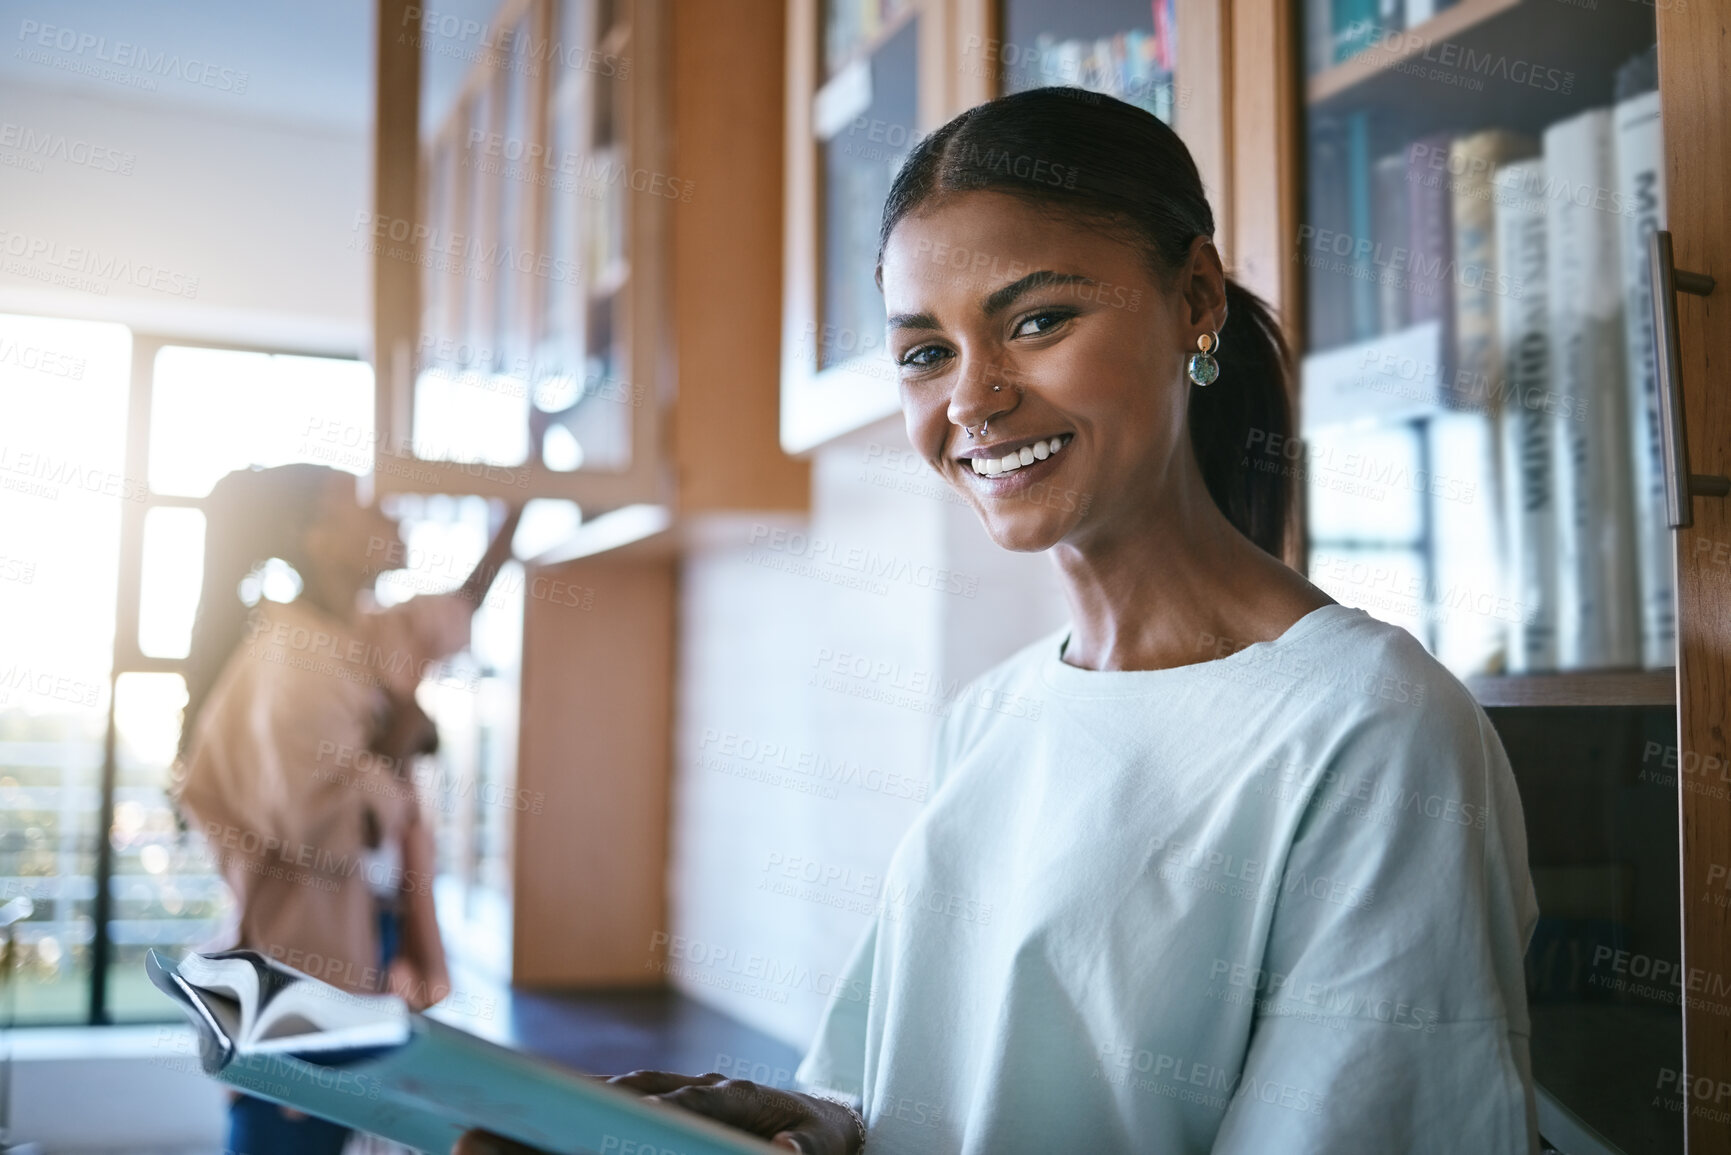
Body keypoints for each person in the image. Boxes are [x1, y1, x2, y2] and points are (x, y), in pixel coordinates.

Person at [457, 86, 1539, 1155]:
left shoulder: (1372, 730)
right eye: (927, 352)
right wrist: (803, 1128)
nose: (972, 400)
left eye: (1037, 322)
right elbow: (915, 1091)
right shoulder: (992, 715)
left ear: (1196, 300)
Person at [174, 463, 520, 1155]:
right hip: (299, 961)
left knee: (323, 1122)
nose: (389, 516)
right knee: (291, 1119)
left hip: (349, 948)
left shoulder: (362, 630)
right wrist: (395, 739)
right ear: (318, 538)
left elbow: (458, 606)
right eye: (362, 506)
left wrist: (518, 503)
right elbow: (323, 835)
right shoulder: (290, 663)